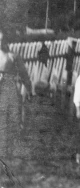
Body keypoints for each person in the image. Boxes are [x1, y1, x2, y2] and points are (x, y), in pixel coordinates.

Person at [0, 30, 31, 160]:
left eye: (2, 39)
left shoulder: (13, 56)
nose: (0, 42)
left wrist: (28, 87)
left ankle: (8, 151)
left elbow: (23, 73)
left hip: (8, 87)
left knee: (11, 117)